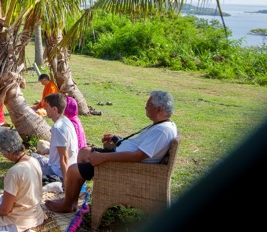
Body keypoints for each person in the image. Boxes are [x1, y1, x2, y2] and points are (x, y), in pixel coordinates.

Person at [45, 90, 178, 213]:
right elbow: (138, 147)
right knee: (84, 152)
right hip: (120, 158)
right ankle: (72, 200)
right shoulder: (162, 125)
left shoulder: (162, 131)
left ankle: (67, 204)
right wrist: (116, 139)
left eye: (148, 105)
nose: (145, 107)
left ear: (159, 109)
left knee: (73, 170)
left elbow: (137, 156)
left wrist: (104, 158)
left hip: (122, 166)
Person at [31, 92, 78, 183]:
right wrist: (49, 151)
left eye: (47, 106)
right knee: (34, 156)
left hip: (57, 172)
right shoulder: (66, 121)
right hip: (69, 166)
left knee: (28, 160)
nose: (45, 108)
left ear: (54, 109)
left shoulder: (58, 128)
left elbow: (64, 157)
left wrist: (66, 181)